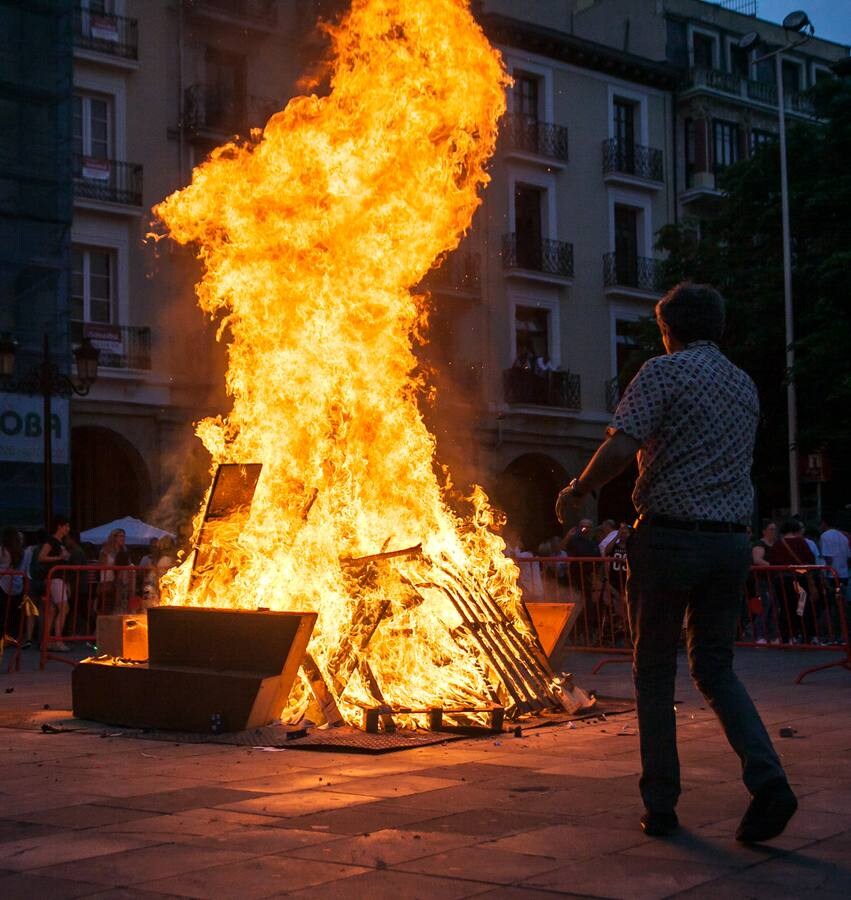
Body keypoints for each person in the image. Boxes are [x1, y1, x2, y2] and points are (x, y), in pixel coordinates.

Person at [555, 282, 796, 843]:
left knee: (655, 672)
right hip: (729, 543)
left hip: (668, 541)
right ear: (719, 327)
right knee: (715, 668)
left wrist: (578, 489)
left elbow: (621, 445)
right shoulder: (743, 385)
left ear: (668, 330)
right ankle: (769, 781)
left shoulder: (663, 372)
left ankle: (661, 804)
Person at [37, 517, 71, 652]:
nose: (68, 529)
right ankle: (57, 640)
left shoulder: (60, 542)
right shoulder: (52, 541)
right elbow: (41, 557)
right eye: (66, 526)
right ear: (59, 526)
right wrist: (59, 558)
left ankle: (46, 641)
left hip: (58, 577)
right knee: (64, 608)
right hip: (55, 578)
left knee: (52, 611)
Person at [750, 521, 780, 645]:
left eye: (775, 529)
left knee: (774, 607)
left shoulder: (776, 544)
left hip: (773, 579)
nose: (773, 532)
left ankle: (772, 635)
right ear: (764, 531)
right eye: (771, 529)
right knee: (763, 606)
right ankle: (760, 635)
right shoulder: (760, 544)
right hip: (762, 580)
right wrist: (772, 566)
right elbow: (757, 560)